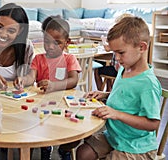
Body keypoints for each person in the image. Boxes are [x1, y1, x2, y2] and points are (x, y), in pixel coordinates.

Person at [76, 16, 162, 160]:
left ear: (142, 47)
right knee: (83, 153)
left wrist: (116, 114)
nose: (116, 58)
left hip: (137, 146)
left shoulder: (148, 83)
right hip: (115, 136)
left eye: (121, 53)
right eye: (114, 53)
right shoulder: (125, 69)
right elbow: (126, 95)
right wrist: (105, 94)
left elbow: (153, 123)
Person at [14, 15, 81, 160]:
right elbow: (31, 77)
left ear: (66, 43)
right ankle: (45, 147)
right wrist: (23, 79)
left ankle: (65, 149)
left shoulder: (69, 59)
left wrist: (54, 85)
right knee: (36, 125)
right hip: (42, 105)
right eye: (47, 41)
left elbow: (74, 80)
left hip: (65, 105)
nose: (50, 46)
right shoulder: (38, 59)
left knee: (74, 134)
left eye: (57, 43)